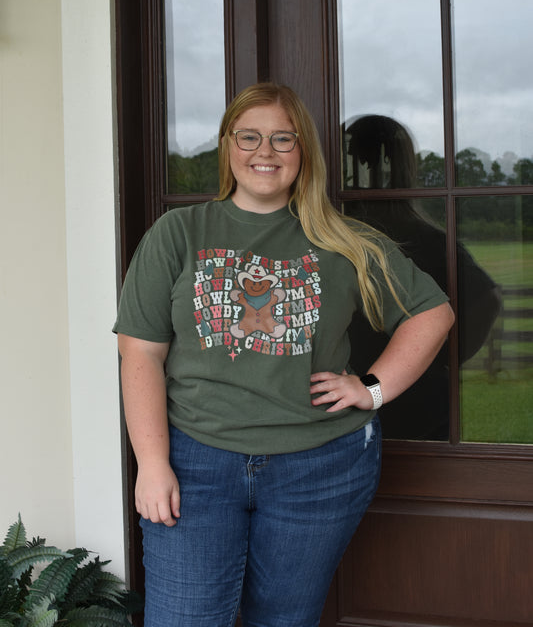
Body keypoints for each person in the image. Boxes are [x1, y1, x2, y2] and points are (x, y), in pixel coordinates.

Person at [114, 83, 454, 627]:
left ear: (304, 152)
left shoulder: (344, 239)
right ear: (227, 146)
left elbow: (431, 313)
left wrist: (371, 388)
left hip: (319, 466)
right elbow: (140, 355)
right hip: (196, 461)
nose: (264, 152)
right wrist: (152, 464)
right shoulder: (179, 233)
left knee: (284, 620)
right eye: (248, 136)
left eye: (282, 139)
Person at [344, 114, 501, 439]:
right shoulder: (423, 236)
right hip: (360, 400)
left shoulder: (423, 238)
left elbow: (486, 301)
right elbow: (488, 300)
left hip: (412, 406)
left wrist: (434, 359)